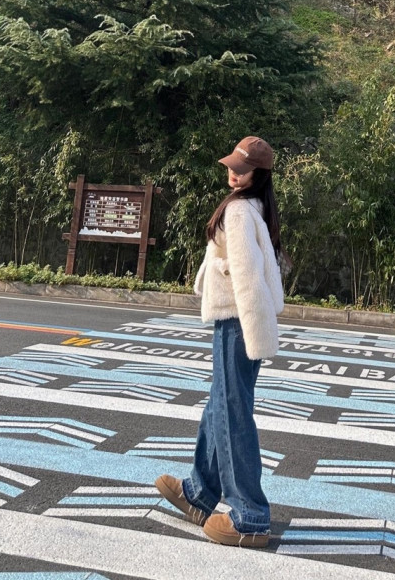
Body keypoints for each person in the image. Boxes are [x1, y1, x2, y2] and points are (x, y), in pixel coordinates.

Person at [155, 136, 284, 548]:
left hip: (238, 321)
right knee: (221, 405)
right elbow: (228, 263)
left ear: (258, 174)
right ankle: (200, 492)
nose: (233, 172)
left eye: (242, 169)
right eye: (231, 165)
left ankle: (250, 515)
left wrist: (253, 332)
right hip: (240, 320)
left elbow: (246, 276)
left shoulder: (240, 210)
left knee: (232, 413)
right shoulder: (253, 206)